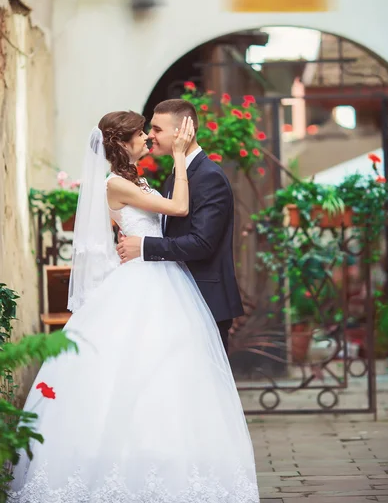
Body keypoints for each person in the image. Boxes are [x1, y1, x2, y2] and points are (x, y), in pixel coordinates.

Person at [10, 110, 259, 502]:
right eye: (142, 132)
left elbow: (176, 223)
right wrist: (179, 158)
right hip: (144, 282)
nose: (148, 137)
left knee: (169, 376)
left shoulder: (138, 180)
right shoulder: (116, 183)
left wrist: (145, 243)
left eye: (152, 130)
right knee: (133, 373)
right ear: (124, 142)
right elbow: (177, 210)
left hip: (165, 279)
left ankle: (171, 464)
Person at [116, 99, 244, 353]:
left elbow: (202, 243)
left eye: (157, 129)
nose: (150, 136)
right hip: (179, 300)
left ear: (184, 131)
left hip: (206, 301)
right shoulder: (177, 176)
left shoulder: (209, 177)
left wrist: (143, 246)